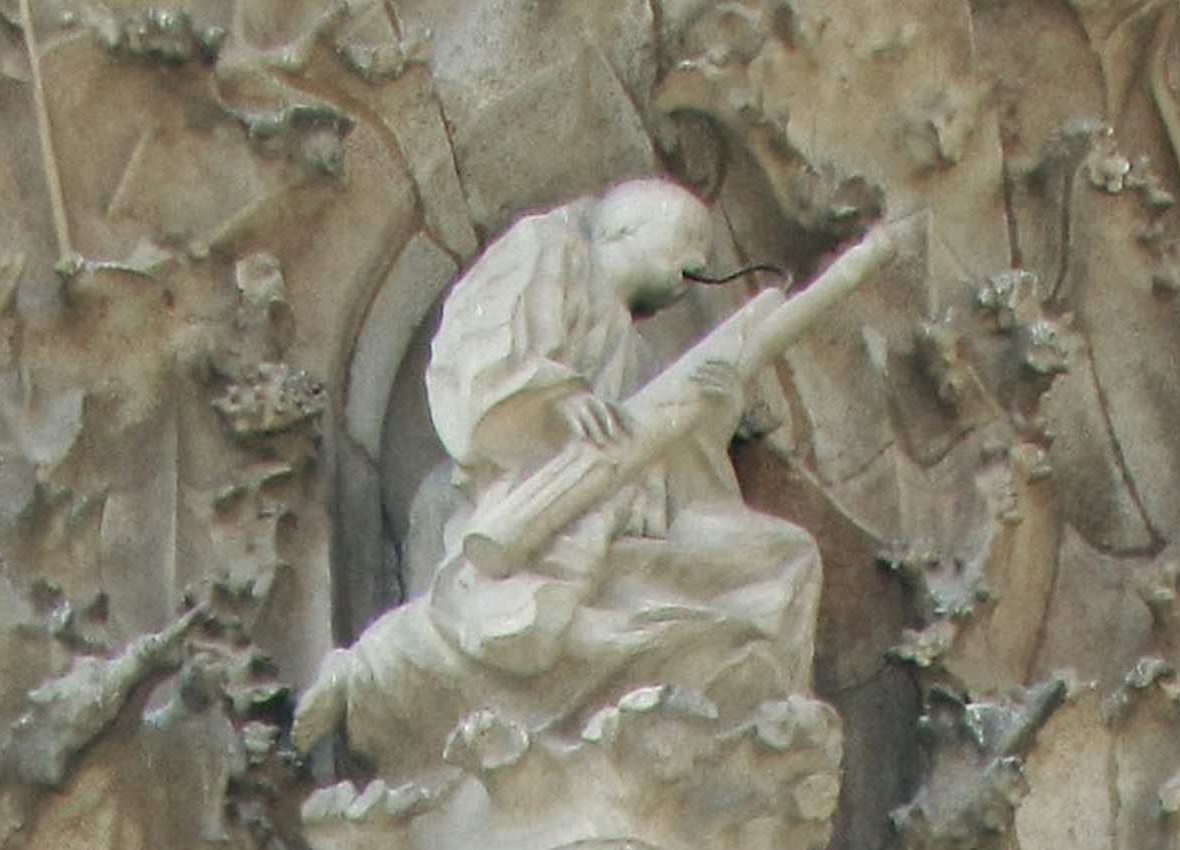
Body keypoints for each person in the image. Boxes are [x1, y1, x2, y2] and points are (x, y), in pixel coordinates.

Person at [306, 179, 836, 796]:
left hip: (621, 527)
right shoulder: (545, 249)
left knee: (787, 559)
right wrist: (557, 399)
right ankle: (374, 670)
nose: (700, 262)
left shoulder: (634, 351)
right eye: (689, 238)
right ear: (626, 230)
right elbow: (480, 358)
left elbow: (673, 466)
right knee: (516, 621)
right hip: (536, 505)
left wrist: (712, 409)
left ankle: (771, 744)